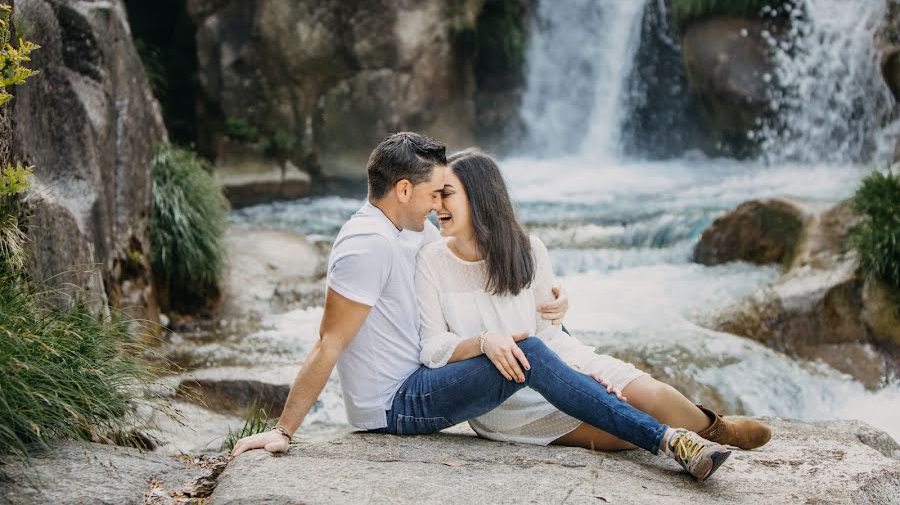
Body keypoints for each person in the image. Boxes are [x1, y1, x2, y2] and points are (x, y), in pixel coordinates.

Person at [231, 132, 732, 481]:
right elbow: (329, 341)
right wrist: (283, 430)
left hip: (426, 377)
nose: (437, 205)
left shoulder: (411, 231)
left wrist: (555, 304)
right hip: (395, 405)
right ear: (403, 189)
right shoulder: (365, 244)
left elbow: (489, 282)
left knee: (538, 346)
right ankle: (671, 442)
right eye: (432, 194)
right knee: (528, 352)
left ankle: (683, 433)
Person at [416, 148, 772, 453]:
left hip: (560, 362)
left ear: (479, 197)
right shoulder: (431, 260)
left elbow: (548, 333)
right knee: (625, 437)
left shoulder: (527, 249)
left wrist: (580, 378)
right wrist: (482, 343)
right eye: (435, 195)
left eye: (446, 194)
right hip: (506, 402)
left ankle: (717, 429)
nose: (436, 205)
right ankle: (689, 441)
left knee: (656, 397)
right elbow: (432, 346)